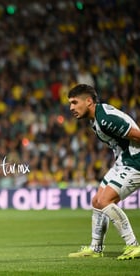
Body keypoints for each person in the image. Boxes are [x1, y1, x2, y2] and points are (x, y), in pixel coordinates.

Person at [67, 84, 140, 260]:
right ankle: (95, 248)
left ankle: (133, 245)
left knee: (106, 200)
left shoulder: (106, 119)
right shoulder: (96, 118)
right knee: (97, 201)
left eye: (75, 102)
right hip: (124, 160)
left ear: (89, 101)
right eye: (70, 103)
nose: (71, 108)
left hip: (136, 162)